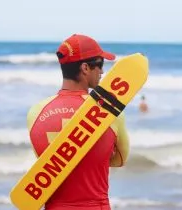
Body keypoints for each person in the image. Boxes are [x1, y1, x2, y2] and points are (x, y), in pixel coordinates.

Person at [26, 34, 130, 210]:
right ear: (85, 68)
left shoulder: (36, 112)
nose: (103, 72)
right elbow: (120, 160)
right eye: (100, 65)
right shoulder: (110, 112)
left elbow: (47, 162)